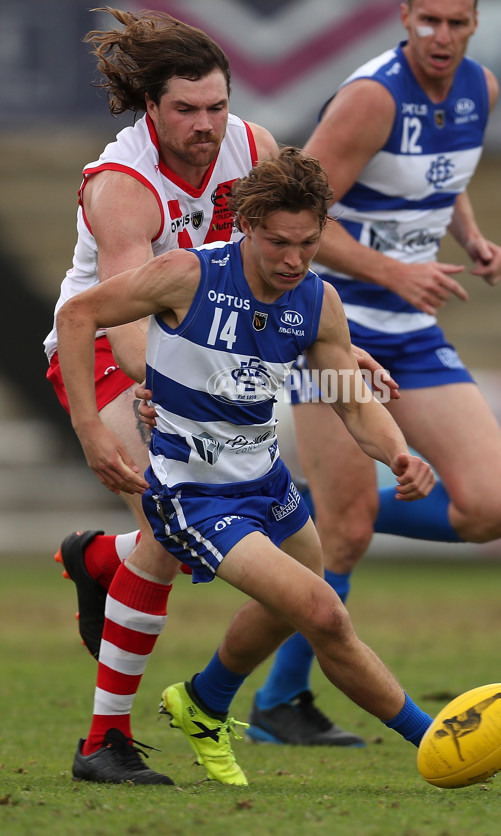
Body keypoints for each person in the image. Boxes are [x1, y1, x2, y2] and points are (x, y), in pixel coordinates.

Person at [56, 147, 438, 787]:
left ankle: (204, 701)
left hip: (266, 480)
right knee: (323, 613)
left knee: (296, 606)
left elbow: (352, 401)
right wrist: (91, 428)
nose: (293, 259)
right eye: (277, 243)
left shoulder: (317, 301)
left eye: (308, 243)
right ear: (247, 226)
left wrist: (398, 453)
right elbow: (77, 314)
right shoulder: (186, 275)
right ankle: (436, 738)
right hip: (193, 492)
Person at [246, 0, 501, 747]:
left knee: (494, 510)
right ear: (404, 19)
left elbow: (443, 175)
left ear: (474, 27)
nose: (441, 36)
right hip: (336, 327)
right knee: (348, 532)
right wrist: (394, 269)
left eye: (456, 23)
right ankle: (265, 702)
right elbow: (299, 217)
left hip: (413, 331)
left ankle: (319, 515)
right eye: (427, 20)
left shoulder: (482, 89)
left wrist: (469, 235)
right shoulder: (372, 99)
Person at [44, 6, 279, 783]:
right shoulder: (122, 184)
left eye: (217, 106)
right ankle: (100, 743)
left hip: (196, 355)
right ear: (152, 107)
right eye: (186, 110)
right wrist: (174, 390)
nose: (207, 125)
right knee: (170, 521)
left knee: (169, 538)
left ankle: (101, 561)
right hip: (108, 350)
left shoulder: (253, 149)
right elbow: (125, 320)